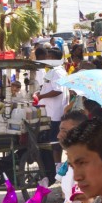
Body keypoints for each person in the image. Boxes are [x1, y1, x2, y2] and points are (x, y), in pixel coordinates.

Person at [34, 46, 68, 187]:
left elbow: (57, 91)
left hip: (55, 113)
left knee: (55, 144)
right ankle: (54, 170)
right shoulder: (53, 71)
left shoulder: (58, 72)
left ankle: (58, 170)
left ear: (53, 58)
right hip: (51, 112)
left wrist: (41, 96)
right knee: (53, 144)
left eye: (48, 57)